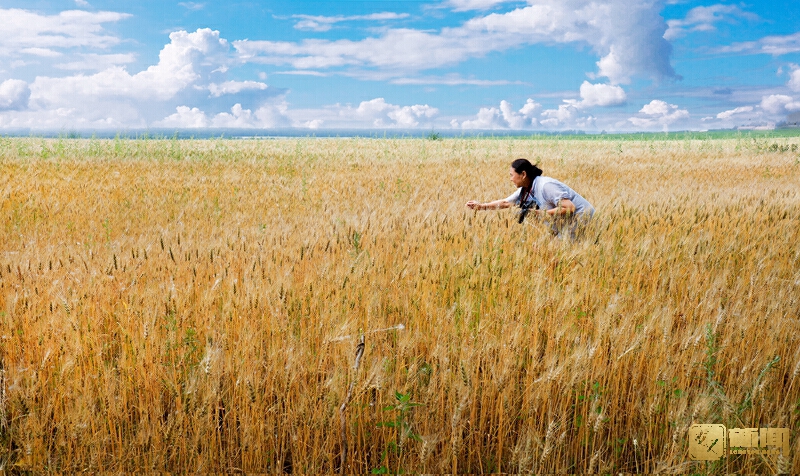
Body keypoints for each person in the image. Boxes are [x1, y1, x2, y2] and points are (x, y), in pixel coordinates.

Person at [465, 158, 595, 240]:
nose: (510, 179)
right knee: (541, 250)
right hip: (564, 224)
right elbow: (506, 203)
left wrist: (538, 213)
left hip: (581, 219)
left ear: (523, 174)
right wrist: (481, 206)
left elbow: (569, 208)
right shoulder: (526, 189)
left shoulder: (546, 186)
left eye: (511, 175)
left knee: (552, 253)